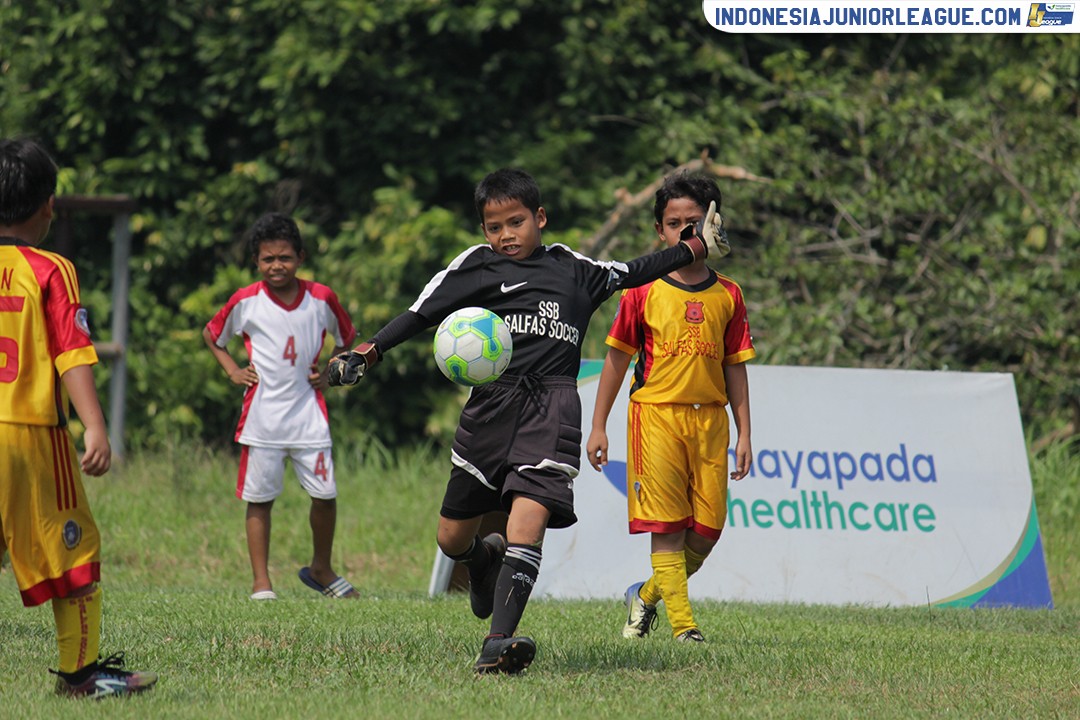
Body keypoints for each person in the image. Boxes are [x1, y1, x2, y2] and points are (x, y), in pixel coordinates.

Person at [327, 168, 725, 674]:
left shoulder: (573, 269)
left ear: (540, 218)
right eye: (494, 227)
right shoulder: (476, 266)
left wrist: (695, 248)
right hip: (490, 407)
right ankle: (481, 561)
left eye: (516, 222)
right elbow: (421, 313)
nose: (506, 235)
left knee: (528, 523)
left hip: (551, 408)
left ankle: (498, 643)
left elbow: (634, 269)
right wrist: (367, 352)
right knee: (451, 537)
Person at [0, 137, 158, 698]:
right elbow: (71, 350)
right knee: (75, 553)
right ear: (49, 205)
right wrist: (95, 425)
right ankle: (81, 676)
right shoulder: (50, 269)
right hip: (29, 433)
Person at [585, 170, 754, 643]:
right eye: (673, 223)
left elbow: (735, 367)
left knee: (707, 531)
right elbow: (617, 360)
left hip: (711, 422)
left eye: (692, 222)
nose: (683, 230)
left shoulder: (729, 294)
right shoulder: (642, 289)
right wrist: (598, 426)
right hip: (656, 417)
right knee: (667, 526)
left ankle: (644, 595)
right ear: (660, 231)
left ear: (711, 224)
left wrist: (745, 432)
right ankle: (685, 628)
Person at [203, 212, 358, 601]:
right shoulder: (246, 301)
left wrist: (331, 373)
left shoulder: (321, 298)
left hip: (309, 416)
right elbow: (213, 335)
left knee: (325, 495)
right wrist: (232, 371)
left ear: (300, 257)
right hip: (262, 419)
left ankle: (321, 568)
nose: (277, 266)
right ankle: (261, 582)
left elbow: (347, 338)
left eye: (285, 257)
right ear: (256, 261)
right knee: (260, 499)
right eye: (268, 259)